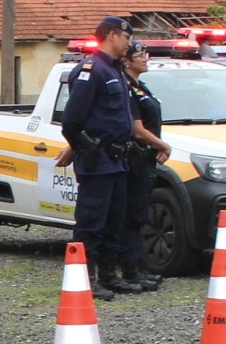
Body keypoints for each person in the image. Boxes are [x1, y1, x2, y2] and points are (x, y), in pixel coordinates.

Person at [57, 18, 145, 299]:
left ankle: (108, 275)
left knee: (114, 221)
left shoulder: (115, 70)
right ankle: (84, 278)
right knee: (91, 223)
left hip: (118, 160)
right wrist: (82, 147)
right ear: (111, 36)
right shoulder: (91, 70)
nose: (129, 43)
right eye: (125, 37)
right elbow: (71, 120)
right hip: (98, 161)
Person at [118, 41, 174, 292]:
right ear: (127, 60)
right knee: (132, 217)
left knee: (139, 215)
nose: (145, 58)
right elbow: (137, 129)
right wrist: (163, 145)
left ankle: (137, 268)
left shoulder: (141, 87)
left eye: (145, 54)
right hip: (135, 158)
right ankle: (130, 270)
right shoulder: (127, 88)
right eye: (139, 55)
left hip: (146, 157)